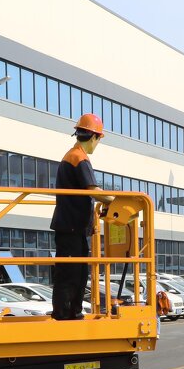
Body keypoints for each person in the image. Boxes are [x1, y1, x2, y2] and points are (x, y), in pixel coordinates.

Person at [50, 113, 112, 320]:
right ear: (94, 137)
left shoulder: (73, 155)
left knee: (76, 271)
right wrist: (116, 201)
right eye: (98, 140)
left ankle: (69, 311)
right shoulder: (79, 158)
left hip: (72, 227)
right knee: (71, 273)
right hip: (71, 227)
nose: (97, 145)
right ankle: (66, 312)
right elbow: (93, 190)